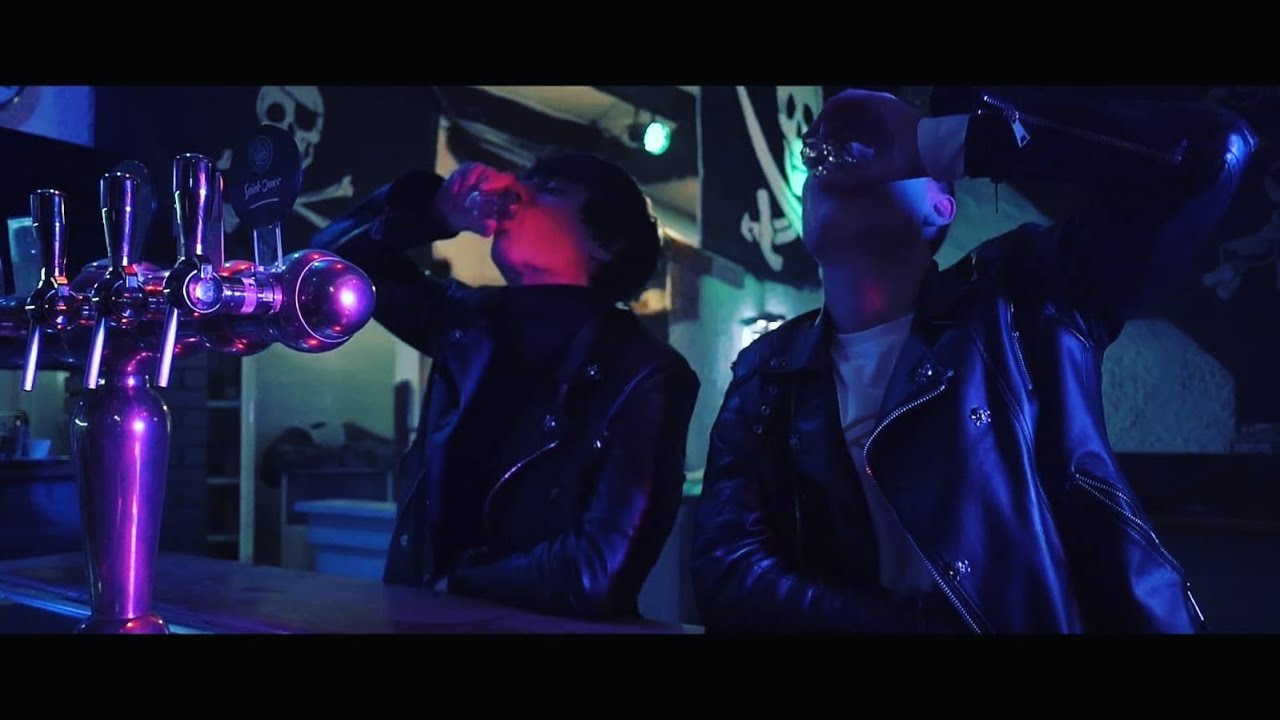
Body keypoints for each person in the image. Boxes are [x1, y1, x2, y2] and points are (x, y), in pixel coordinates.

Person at [690, 86, 1255, 633]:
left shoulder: (1023, 299)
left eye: (878, 144)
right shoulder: (767, 371)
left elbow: (1212, 153)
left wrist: (937, 140)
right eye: (831, 155)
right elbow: (727, 574)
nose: (849, 159)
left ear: (942, 207)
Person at [313, 152, 700, 621]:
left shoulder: (644, 372)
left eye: (549, 189)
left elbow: (597, 569)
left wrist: (457, 584)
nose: (516, 191)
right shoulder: (466, 323)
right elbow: (324, 271)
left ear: (606, 243)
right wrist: (436, 211)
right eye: (524, 180)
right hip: (426, 621)